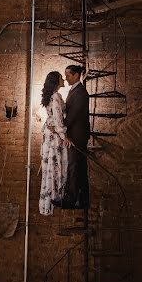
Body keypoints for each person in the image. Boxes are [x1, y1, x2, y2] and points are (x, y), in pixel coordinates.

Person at [39, 71, 68, 216]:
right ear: (56, 81)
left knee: (49, 168)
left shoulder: (51, 96)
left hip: (48, 134)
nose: (64, 79)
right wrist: (64, 136)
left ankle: (49, 202)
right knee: (56, 165)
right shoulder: (55, 96)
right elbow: (57, 120)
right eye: (61, 78)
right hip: (54, 135)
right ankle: (57, 197)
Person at [61, 64, 90, 209]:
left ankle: (71, 200)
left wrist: (61, 128)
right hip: (76, 134)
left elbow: (72, 115)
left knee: (74, 167)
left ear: (77, 75)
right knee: (79, 167)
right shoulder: (74, 90)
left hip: (77, 136)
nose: (65, 78)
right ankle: (83, 200)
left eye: (68, 75)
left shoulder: (81, 93)